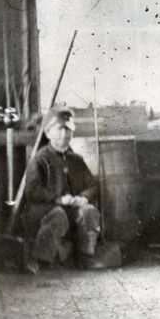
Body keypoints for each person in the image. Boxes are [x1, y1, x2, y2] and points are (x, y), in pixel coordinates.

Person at [23, 106, 102, 273]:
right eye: (60, 129)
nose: (65, 134)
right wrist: (57, 199)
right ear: (48, 133)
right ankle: (41, 259)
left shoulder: (76, 160)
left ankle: (85, 257)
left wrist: (84, 197)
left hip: (71, 208)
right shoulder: (40, 159)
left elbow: (93, 185)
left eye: (68, 130)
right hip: (46, 208)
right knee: (58, 215)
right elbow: (32, 190)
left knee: (89, 211)